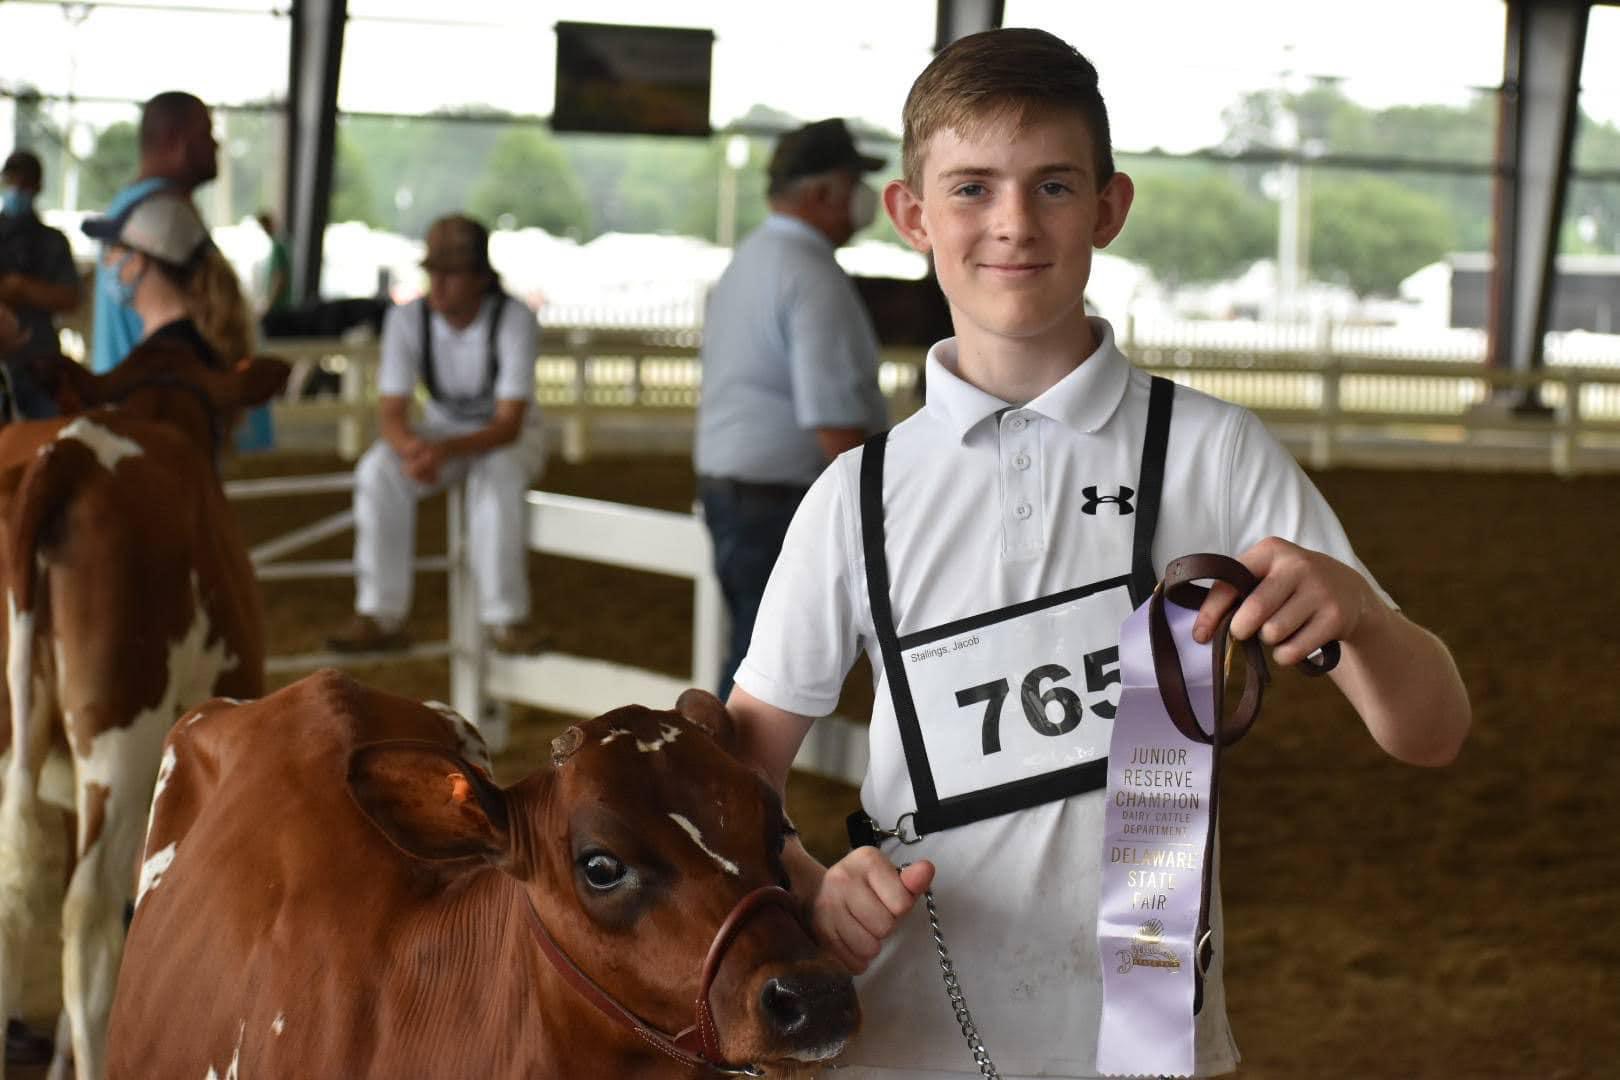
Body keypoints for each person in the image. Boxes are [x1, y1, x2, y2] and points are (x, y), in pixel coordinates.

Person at [725, 29, 1471, 1079]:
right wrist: (810, 880)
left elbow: (1431, 732)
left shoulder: (1213, 453)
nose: (1014, 224)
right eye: (973, 188)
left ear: (1109, 208)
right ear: (911, 214)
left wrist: (1364, 616)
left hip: (1150, 1051)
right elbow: (735, 776)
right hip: (905, 1044)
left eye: (1054, 186)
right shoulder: (857, 497)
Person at [694, 117, 890, 700]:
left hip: (737, 489)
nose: (864, 199)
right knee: (764, 676)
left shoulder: (753, 257)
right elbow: (832, 418)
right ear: (823, 191)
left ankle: (716, 780)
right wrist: (878, 507)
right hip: (778, 499)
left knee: (753, 655)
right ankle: (722, 787)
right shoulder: (811, 274)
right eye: (855, 182)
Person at [327, 213, 546, 656]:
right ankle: (379, 613)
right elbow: (391, 412)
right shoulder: (407, 320)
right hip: (442, 434)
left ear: (481, 279)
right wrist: (415, 449)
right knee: (377, 471)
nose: (439, 284)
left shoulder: (513, 319)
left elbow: (509, 424)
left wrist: (439, 450)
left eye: (452, 274)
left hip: (508, 438)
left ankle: (505, 618)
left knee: (498, 476)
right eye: (434, 273)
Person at [90, 90, 218, 374]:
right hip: (158, 405)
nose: (216, 145)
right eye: (206, 133)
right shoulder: (159, 217)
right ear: (175, 139)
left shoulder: (129, 211)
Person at [0, 150, 82, 418]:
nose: (17, 191)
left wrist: (21, 287)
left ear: (37, 187)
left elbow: (70, 298)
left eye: (24, 185)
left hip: (38, 365)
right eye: (12, 183)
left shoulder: (52, 241)